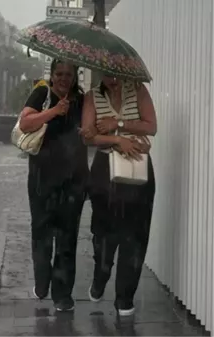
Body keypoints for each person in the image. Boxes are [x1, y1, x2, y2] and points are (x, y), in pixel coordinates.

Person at [79, 75, 157, 316]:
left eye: (115, 73)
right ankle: (100, 276)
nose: (111, 78)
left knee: (136, 234)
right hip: (105, 169)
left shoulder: (138, 90)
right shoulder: (93, 96)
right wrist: (117, 140)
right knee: (104, 231)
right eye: (106, 72)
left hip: (138, 166)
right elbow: (87, 135)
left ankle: (125, 297)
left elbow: (151, 126)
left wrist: (118, 123)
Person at [18, 59, 89, 312]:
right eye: (59, 73)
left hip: (74, 181)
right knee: (42, 234)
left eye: (68, 74)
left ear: (75, 76)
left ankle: (63, 295)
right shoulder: (41, 93)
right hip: (41, 180)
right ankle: (42, 279)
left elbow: (89, 131)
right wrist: (54, 111)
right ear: (52, 74)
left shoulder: (82, 99)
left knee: (67, 238)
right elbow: (25, 124)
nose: (63, 79)